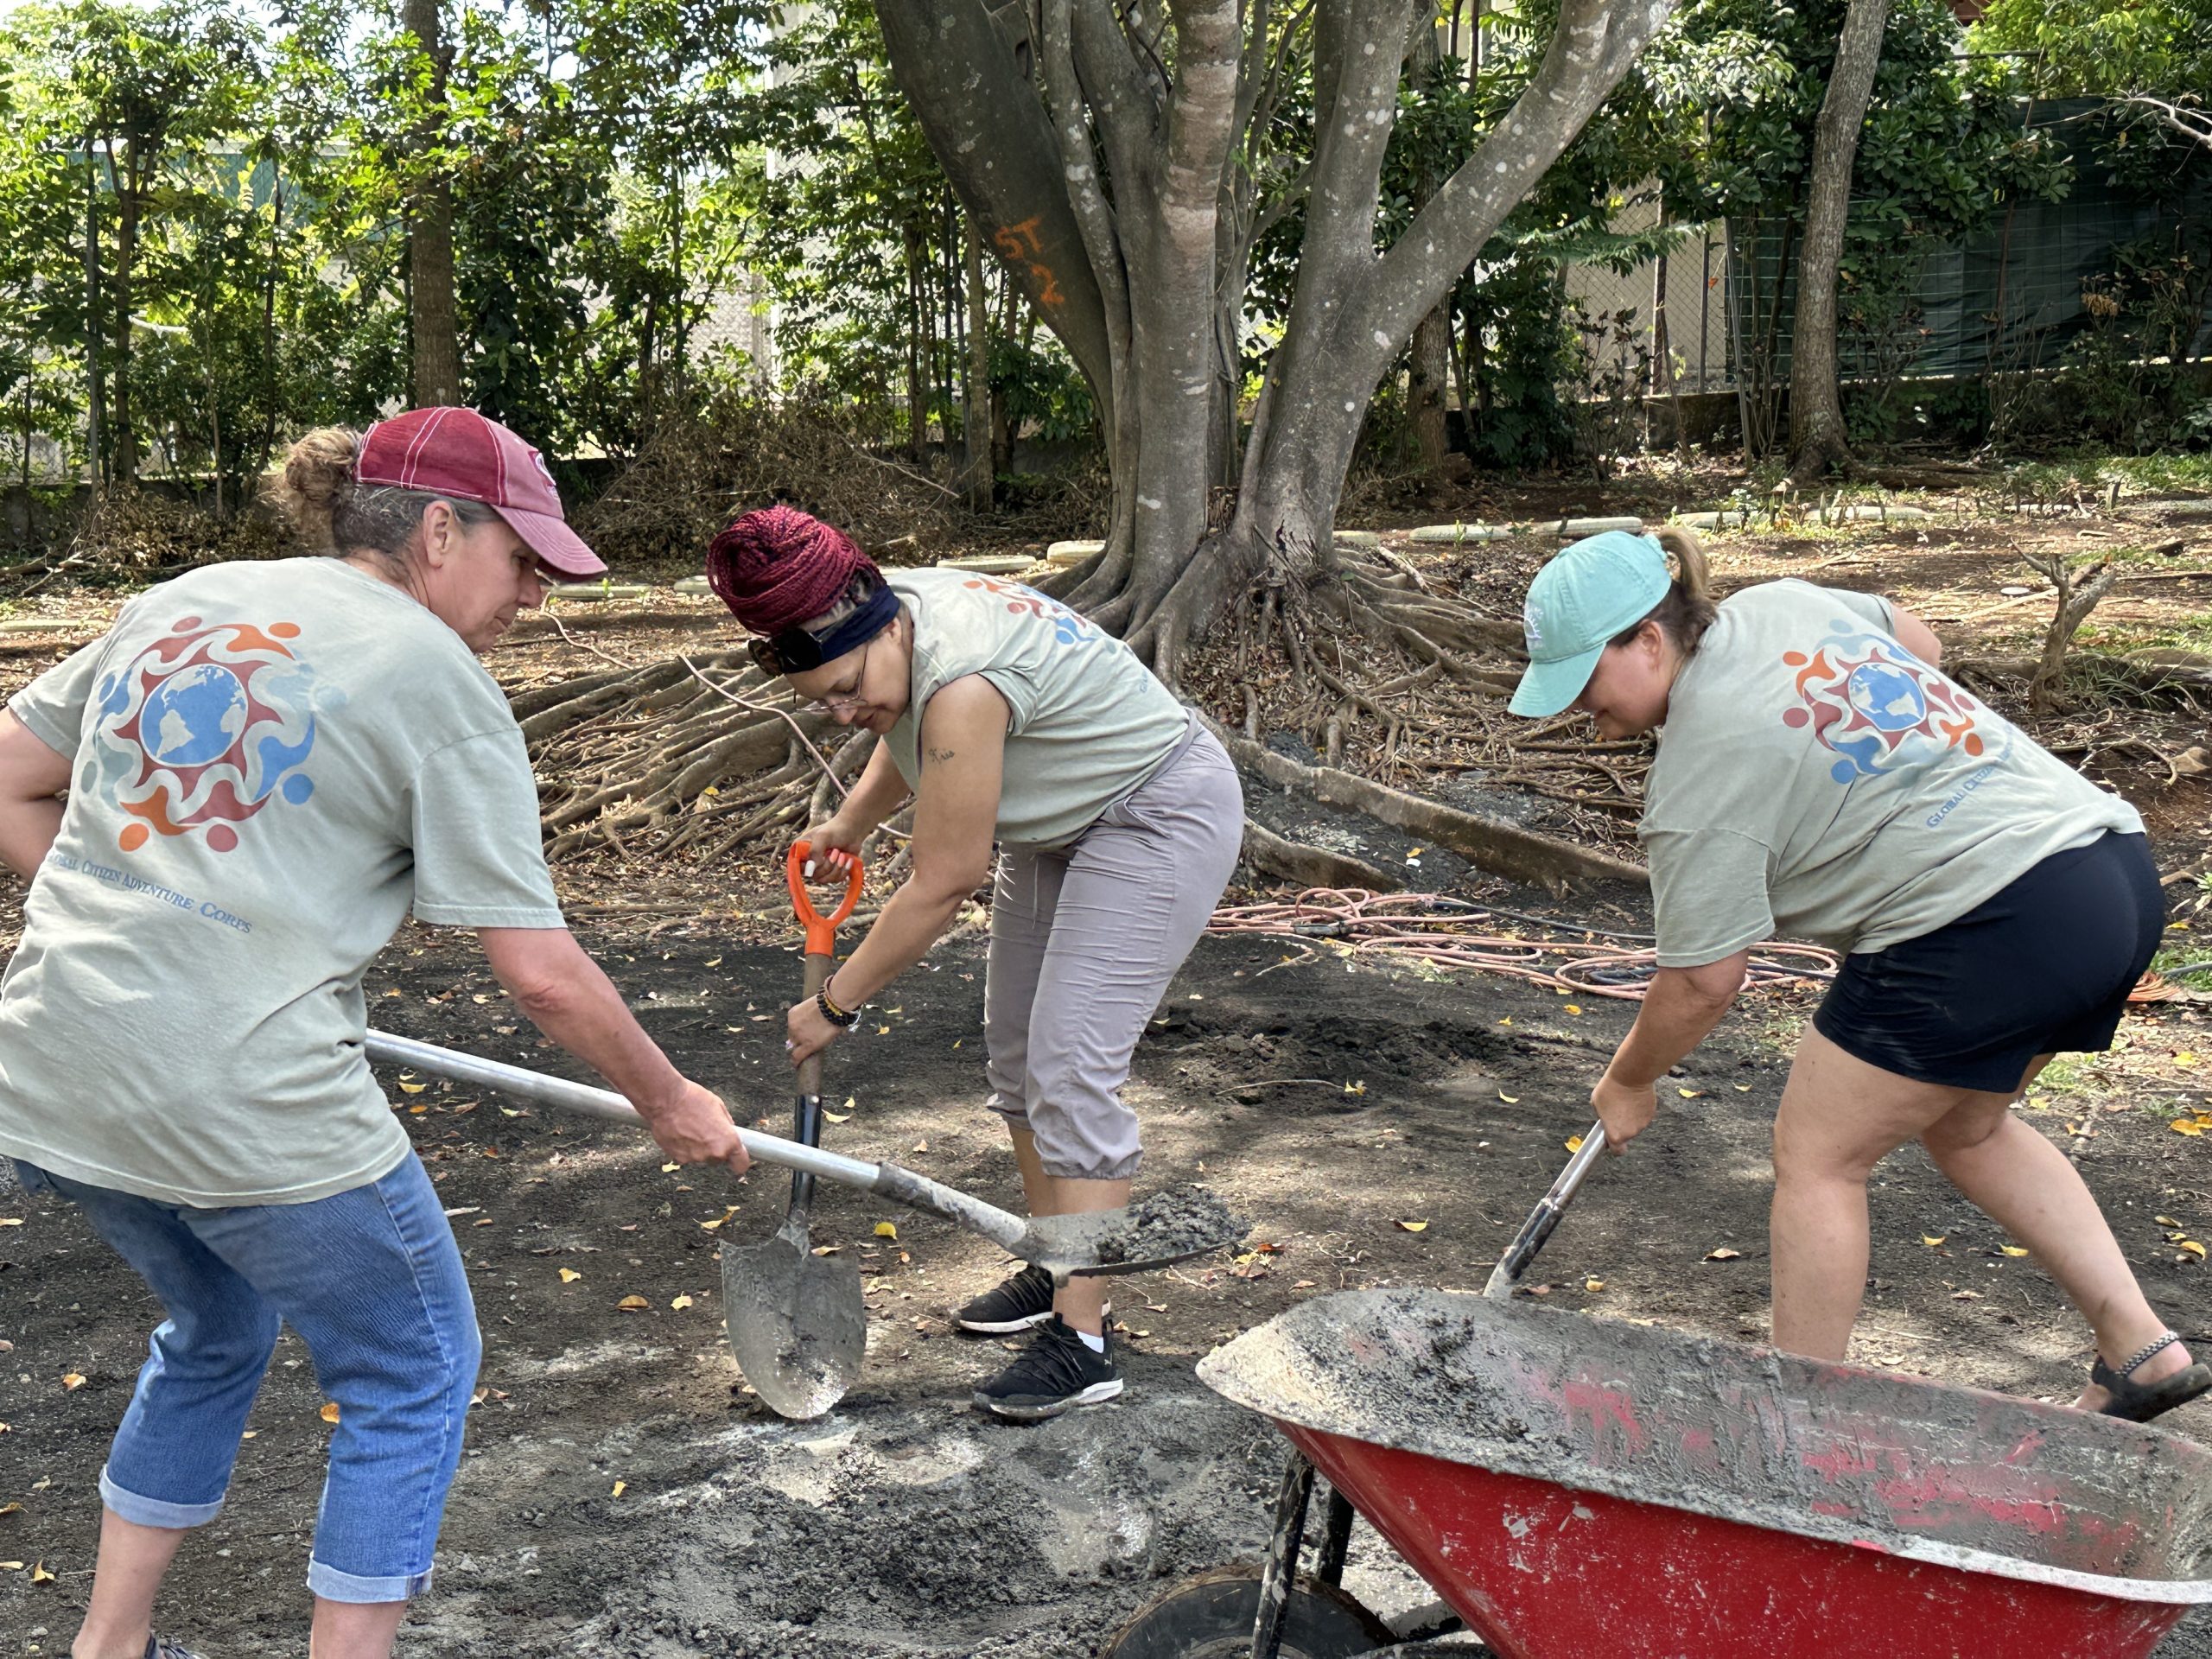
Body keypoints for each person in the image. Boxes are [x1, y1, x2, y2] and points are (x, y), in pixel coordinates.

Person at [0, 408, 749, 1659]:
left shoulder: (191, 599)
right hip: (242, 1098)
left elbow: (11, 781)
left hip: (51, 1072)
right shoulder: (440, 685)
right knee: (409, 1369)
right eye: (523, 562)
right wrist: (671, 1104)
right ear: (442, 531)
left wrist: (137, 920)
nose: (531, 600)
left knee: (217, 1328)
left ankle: (108, 1647)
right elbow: (543, 977)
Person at [1509, 526, 2209, 1423]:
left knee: (1817, 1158)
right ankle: (2141, 1352)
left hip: (1980, 922)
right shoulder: (1780, 607)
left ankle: (1794, 1431)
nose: (1575, 707)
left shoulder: (1697, 779)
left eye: (1582, 678)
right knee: (1968, 1127)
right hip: (2104, 874)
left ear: (1648, 639)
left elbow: (1703, 982)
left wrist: (1628, 1080)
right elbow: (1918, 644)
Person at [704, 505, 1243, 1421]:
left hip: (1157, 811)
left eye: (845, 687)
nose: (844, 712)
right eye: (821, 702)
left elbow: (944, 879)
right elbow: (901, 728)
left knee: (1072, 1065)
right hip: (1064, 822)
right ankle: (1057, 1256)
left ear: (881, 624)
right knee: (1016, 1061)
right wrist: (850, 820)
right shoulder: (901, 619)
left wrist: (833, 1005)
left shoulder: (961, 676)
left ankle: (1083, 1338)